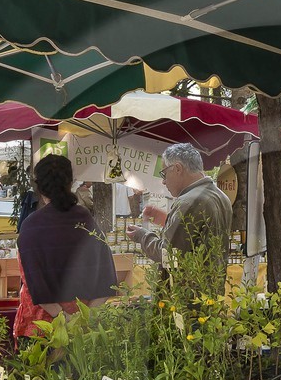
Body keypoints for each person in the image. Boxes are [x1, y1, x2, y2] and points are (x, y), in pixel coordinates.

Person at [13, 154, 118, 337]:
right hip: (85, 330)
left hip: (41, 331)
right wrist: (83, 321)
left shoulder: (31, 226)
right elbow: (107, 278)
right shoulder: (86, 220)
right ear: (70, 182)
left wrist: (65, 321)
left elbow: (36, 286)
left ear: (40, 188)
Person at [126, 142, 232, 266]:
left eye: (164, 174)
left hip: (188, 284)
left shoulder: (188, 201)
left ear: (178, 169)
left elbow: (169, 257)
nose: (163, 182)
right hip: (210, 282)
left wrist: (142, 235)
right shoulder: (220, 196)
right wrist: (168, 220)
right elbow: (196, 238)